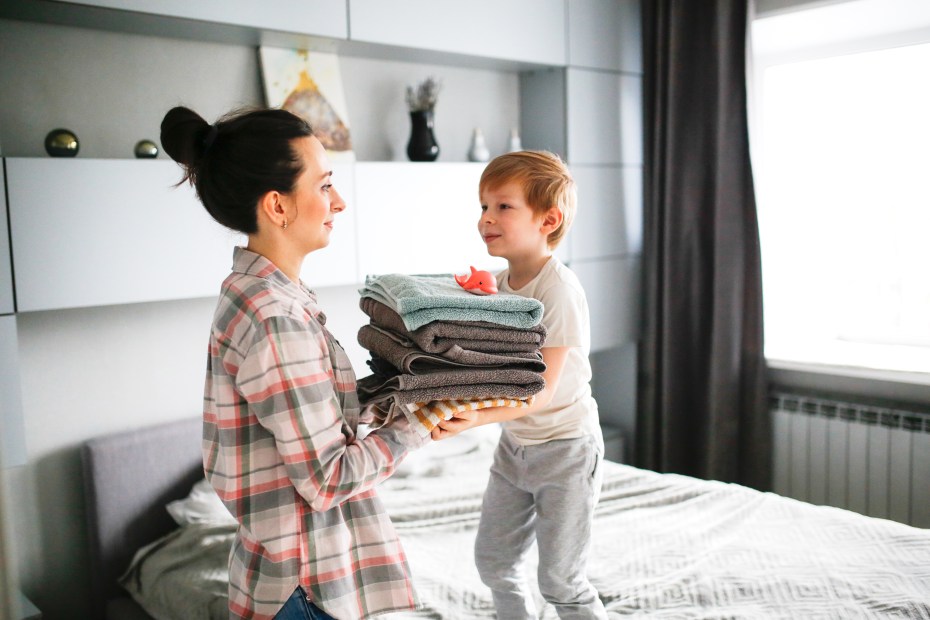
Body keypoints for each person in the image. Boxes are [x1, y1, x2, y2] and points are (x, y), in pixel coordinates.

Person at [160, 106, 429, 620]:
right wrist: (416, 428)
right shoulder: (275, 318)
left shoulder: (261, 296)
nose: (340, 202)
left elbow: (323, 419)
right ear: (278, 207)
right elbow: (328, 478)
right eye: (325, 186)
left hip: (294, 578)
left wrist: (399, 399)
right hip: (306, 588)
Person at [432, 150, 608, 619]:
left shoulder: (560, 291)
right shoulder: (497, 285)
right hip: (515, 448)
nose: (485, 219)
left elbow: (539, 391)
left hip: (566, 450)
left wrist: (474, 419)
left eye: (502, 207)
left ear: (548, 220)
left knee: (560, 581)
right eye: (483, 207)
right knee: (494, 562)